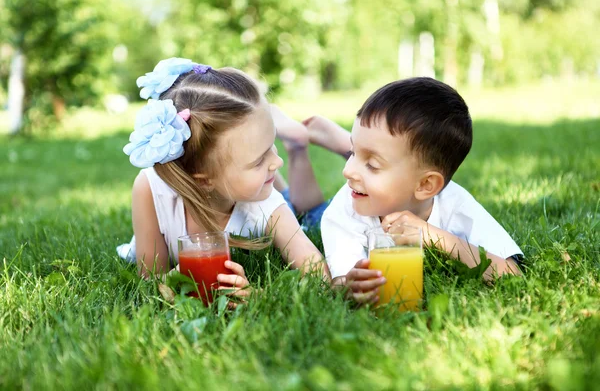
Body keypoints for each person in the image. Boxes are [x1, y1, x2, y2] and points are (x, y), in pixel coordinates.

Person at [270, 77, 523, 305]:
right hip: (336, 207)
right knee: (304, 210)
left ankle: (345, 143)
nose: (346, 171)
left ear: (425, 185)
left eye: (371, 163)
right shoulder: (346, 207)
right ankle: (298, 146)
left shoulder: (455, 203)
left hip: (375, 190)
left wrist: (433, 236)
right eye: (354, 154)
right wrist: (349, 285)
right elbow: (339, 282)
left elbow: (512, 275)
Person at [117, 57, 329, 299]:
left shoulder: (266, 203)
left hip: (262, 191)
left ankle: (290, 144)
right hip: (252, 186)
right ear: (204, 180)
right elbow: (151, 280)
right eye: (258, 160)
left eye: (272, 146)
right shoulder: (150, 188)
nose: (275, 160)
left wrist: (259, 295)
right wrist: (175, 281)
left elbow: (319, 276)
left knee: (308, 214)